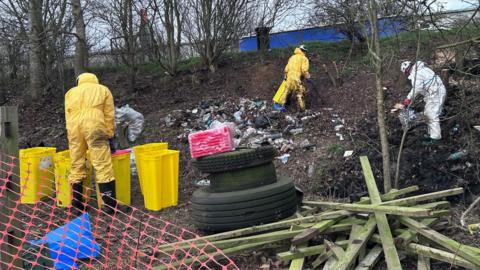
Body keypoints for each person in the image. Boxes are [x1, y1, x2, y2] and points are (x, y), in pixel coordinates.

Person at [65, 72, 119, 215]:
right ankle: (109, 205)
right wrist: (109, 133)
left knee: (76, 162)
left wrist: (71, 133)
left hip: (74, 128)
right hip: (95, 125)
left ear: (79, 81)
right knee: (102, 164)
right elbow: (109, 114)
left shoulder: (70, 93)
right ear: (95, 79)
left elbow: (68, 114)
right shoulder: (102, 89)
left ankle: (76, 205)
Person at [397, 61, 447, 144]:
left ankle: (436, 138)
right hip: (435, 93)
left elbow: (417, 88)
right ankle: (431, 134)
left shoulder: (416, 74)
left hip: (436, 94)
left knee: (432, 114)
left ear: (406, 71)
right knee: (428, 113)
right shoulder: (422, 69)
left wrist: (409, 99)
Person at [275, 45, 311, 111]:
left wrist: (285, 76)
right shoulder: (304, 58)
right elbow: (304, 70)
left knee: (286, 91)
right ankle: (302, 109)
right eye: (305, 51)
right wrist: (308, 77)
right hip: (296, 78)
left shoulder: (292, 57)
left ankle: (280, 107)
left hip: (289, 78)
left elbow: (286, 69)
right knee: (300, 93)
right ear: (304, 51)